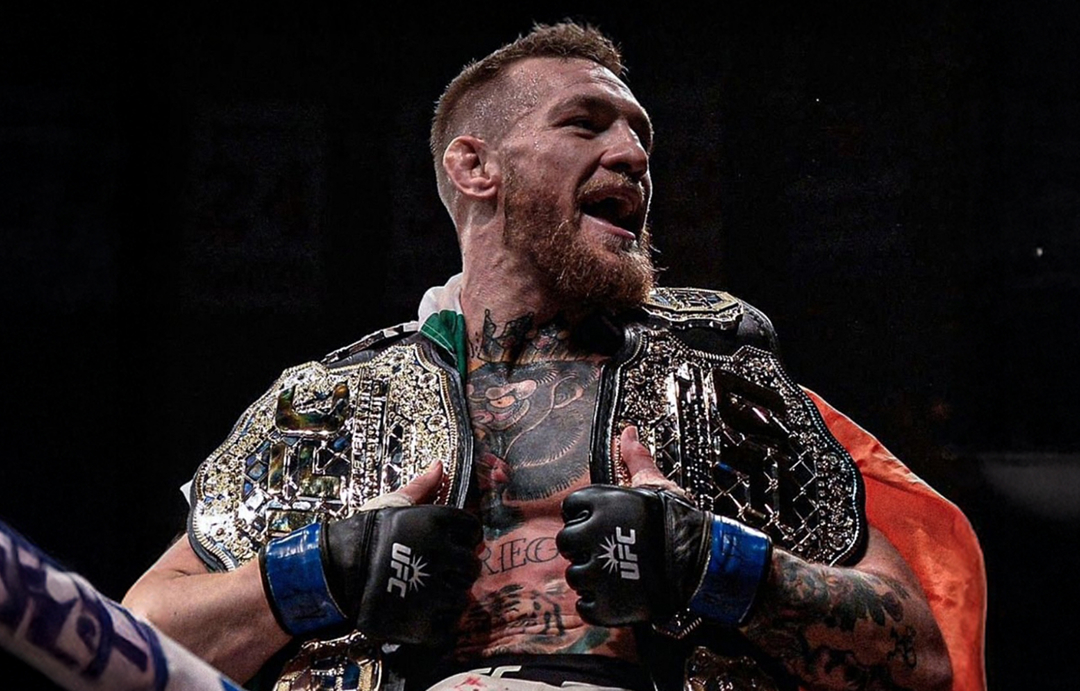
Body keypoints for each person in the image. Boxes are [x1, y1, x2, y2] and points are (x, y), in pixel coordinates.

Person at [123, 22, 986, 691]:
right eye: (585, 124)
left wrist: (714, 560)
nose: (634, 155)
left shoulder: (718, 378)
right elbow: (139, 635)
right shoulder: (336, 405)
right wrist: (322, 568)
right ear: (476, 166)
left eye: (641, 136)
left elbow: (918, 653)